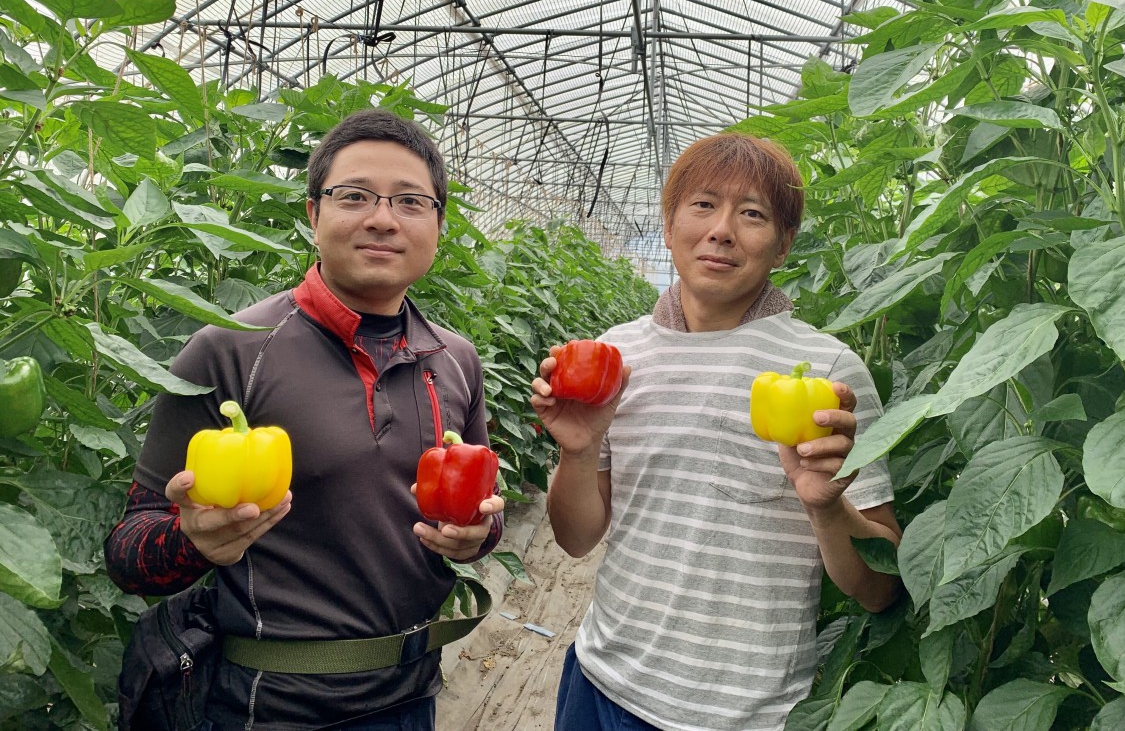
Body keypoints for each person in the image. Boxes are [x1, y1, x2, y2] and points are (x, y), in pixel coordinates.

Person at [105, 109, 504, 730]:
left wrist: (477, 537)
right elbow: (130, 552)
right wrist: (191, 542)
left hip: (413, 696)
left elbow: (483, 517)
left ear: (438, 224)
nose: (382, 218)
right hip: (269, 704)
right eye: (354, 196)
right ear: (314, 214)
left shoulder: (455, 360)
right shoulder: (231, 349)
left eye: (410, 201)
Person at [531, 133, 902, 731]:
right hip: (600, 686)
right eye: (702, 204)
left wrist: (827, 510)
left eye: (752, 214)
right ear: (670, 221)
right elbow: (576, 540)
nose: (722, 230)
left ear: (783, 245)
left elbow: (881, 588)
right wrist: (579, 451)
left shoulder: (827, 374)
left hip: (745, 714)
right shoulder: (615, 356)